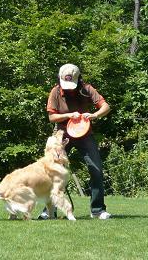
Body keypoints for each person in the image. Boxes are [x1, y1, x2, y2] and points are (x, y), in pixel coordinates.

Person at [38, 63, 111, 220]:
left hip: (85, 133)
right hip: (62, 134)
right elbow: (52, 117)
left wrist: (95, 115)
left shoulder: (87, 89)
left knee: (96, 169)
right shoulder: (55, 92)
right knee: (53, 172)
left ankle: (97, 210)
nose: (69, 88)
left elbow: (106, 106)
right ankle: (49, 211)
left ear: (79, 79)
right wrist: (69, 115)